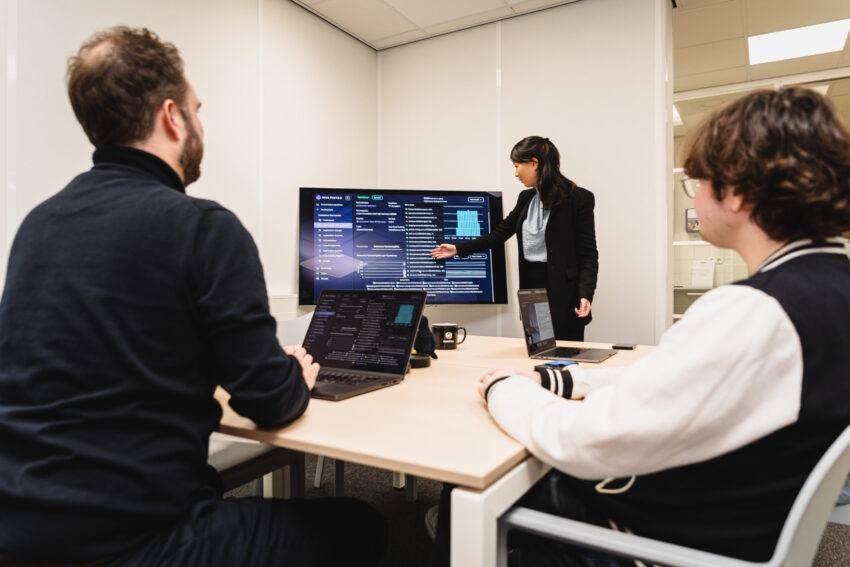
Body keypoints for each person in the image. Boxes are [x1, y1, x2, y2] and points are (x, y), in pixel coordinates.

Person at [0, 27, 386, 567]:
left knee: (210, 483)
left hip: (18, 531)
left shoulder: (38, 225)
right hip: (135, 543)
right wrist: (293, 375)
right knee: (362, 526)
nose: (201, 123)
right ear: (171, 116)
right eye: (197, 109)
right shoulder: (203, 228)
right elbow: (268, 403)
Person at [433, 86, 850, 566]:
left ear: (737, 192)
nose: (695, 195)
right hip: (739, 518)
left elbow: (580, 442)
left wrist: (503, 388)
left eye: (697, 182)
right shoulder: (827, 288)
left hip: (662, 542)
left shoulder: (754, 310)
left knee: (468, 482)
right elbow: (682, 381)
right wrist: (561, 379)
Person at [430, 136, 598, 341]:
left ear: (534, 163)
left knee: (565, 354)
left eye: (517, 166)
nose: (516, 173)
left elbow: (589, 254)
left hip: (565, 295)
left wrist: (585, 294)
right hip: (532, 292)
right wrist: (458, 249)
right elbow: (499, 234)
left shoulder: (579, 199)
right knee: (538, 350)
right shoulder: (526, 198)